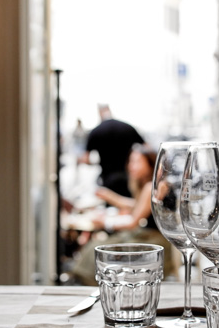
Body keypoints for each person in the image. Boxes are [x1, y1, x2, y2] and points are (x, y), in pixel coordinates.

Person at [71, 144, 176, 285]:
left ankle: (97, 285)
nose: (131, 166)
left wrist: (105, 222)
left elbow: (133, 220)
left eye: (137, 162)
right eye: (131, 161)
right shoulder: (150, 184)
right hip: (150, 236)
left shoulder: (151, 186)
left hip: (155, 241)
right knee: (99, 245)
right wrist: (109, 197)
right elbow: (137, 205)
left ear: (151, 164)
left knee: (97, 247)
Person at [79, 104, 144, 197]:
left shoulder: (95, 131)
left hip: (108, 178)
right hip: (128, 177)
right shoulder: (128, 127)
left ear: (99, 113)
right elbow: (146, 150)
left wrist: (97, 162)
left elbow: (85, 159)